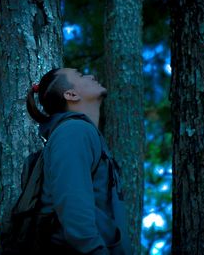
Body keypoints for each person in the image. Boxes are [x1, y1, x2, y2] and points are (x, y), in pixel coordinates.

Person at [26, 68, 132, 255]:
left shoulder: (80, 132)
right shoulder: (74, 132)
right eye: (81, 75)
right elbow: (74, 212)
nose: (91, 76)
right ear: (71, 94)